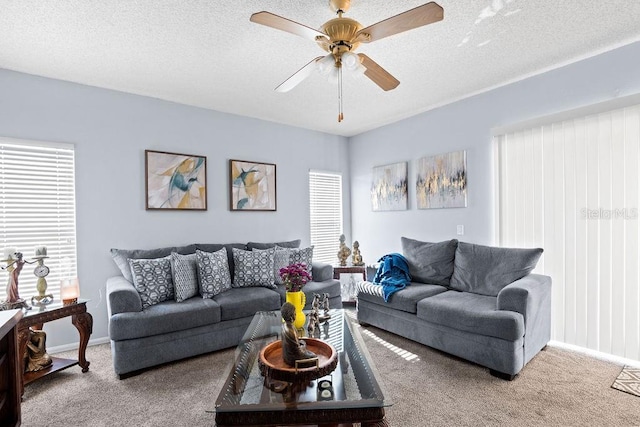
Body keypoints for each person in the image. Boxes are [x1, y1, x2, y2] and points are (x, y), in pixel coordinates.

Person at [281, 302, 316, 367]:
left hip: (287, 355)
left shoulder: (284, 326)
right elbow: (298, 353)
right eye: (295, 314)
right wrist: (304, 350)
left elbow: (293, 344)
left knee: (303, 342)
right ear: (291, 317)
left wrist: (301, 345)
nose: (295, 315)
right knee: (314, 357)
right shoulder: (291, 331)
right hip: (293, 359)